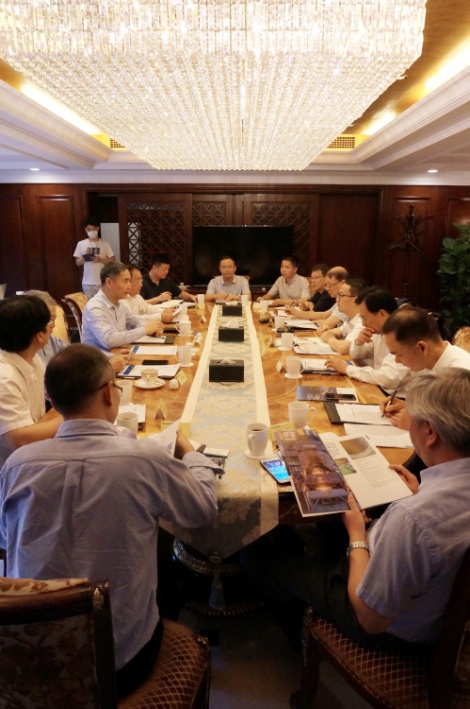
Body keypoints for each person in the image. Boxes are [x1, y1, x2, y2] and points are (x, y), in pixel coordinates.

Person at [0, 343, 219, 697]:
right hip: (118, 667)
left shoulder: (17, 464)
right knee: (165, 546)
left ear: (51, 402)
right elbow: (202, 511)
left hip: (28, 660)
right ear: (107, 393)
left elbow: (6, 538)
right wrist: (191, 454)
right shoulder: (145, 459)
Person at [241, 368, 470, 650]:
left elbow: (371, 619)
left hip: (383, 623)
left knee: (256, 552)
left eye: (413, 419)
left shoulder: (413, 519)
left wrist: (356, 536)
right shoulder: (428, 507)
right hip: (427, 598)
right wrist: (422, 494)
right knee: (330, 516)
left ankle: (298, 636)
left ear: (430, 432)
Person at [380, 306, 470, 428]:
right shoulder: (428, 362)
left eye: (399, 355)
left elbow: (463, 430)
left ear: (422, 348)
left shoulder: (461, 374)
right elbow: (442, 413)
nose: (397, 361)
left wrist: (418, 424)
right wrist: (410, 409)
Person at [0, 295, 62, 468]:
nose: (52, 327)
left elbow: (56, 392)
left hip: (35, 454)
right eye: (50, 323)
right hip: (13, 471)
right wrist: (76, 417)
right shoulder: (4, 378)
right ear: (39, 336)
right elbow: (20, 441)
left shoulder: (31, 358)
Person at [326, 286, 412, 396]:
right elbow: (357, 355)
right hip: (379, 388)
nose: (363, 323)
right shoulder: (379, 330)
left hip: (396, 397)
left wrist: (348, 369)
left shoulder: (402, 332)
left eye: (364, 318)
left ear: (381, 314)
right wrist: (359, 343)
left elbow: (388, 377)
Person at [24, 289, 128, 373]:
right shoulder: (27, 350)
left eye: (53, 320)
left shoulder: (51, 339)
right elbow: (55, 382)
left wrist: (110, 356)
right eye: (50, 319)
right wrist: (107, 368)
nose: (53, 325)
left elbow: (77, 352)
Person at [82, 261, 163, 353]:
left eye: (129, 281)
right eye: (126, 281)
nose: (129, 286)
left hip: (120, 354)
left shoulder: (119, 304)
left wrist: (151, 329)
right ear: (109, 282)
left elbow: (135, 321)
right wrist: (144, 330)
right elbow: (109, 340)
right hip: (100, 359)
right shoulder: (95, 307)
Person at [320, 278, 367, 355]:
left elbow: (344, 348)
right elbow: (336, 332)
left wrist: (330, 338)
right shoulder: (351, 318)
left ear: (356, 300)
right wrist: (325, 330)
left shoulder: (363, 322)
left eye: (341, 295)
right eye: (338, 295)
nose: (337, 300)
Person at [73, 216, 115, 299]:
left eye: (93, 228)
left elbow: (112, 260)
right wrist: (85, 257)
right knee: (90, 304)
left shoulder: (105, 244)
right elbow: (77, 263)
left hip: (103, 281)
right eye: (89, 229)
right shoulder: (81, 244)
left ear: (98, 228)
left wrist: (100, 259)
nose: (91, 231)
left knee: (103, 303)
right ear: (85, 230)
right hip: (87, 282)